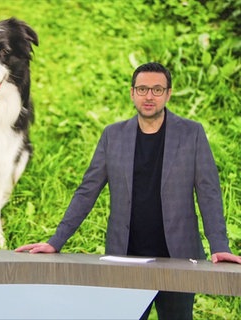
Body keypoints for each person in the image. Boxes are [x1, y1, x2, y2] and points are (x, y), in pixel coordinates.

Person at [15, 62, 241, 320]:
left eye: (157, 90)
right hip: (126, 257)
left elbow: (209, 192)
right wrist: (56, 241)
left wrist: (219, 245)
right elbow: (87, 190)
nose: (149, 96)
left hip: (178, 257)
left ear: (168, 94)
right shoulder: (113, 135)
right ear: (132, 93)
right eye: (142, 88)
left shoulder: (191, 133)